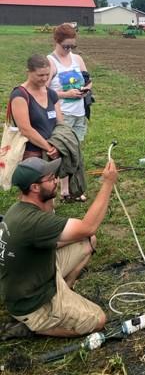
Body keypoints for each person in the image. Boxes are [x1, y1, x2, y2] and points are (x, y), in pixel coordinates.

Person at [0, 156, 118, 338]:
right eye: (50, 178)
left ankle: (65, 289)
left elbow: (81, 235)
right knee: (98, 320)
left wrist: (49, 196)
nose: (56, 180)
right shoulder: (34, 222)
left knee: (87, 241)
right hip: (32, 302)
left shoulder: (21, 207)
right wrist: (108, 183)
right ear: (34, 187)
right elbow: (88, 226)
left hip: (34, 278)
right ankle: (36, 327)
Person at [47, 23, 91, 201]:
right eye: (66, 46)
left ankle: (74, 188)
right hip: (62, 114)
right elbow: (44, 90)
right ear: (56, 42)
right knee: (64, 152)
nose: (69, 49)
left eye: (72, 46)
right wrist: (66, 93)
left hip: (79, 113)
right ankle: (62, 190)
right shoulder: (50, 62)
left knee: (76, 152)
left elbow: (88, 80)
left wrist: (86, 89)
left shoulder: (77, 59)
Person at [10, 54, 63, 160]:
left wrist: (58, 145)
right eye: (40, 75)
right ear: (28, 72)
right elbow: (26, 130)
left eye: (47, 74)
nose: (45, 79)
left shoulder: (51, 94)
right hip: (31, 154)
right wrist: (48, 148)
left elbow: (60, 123)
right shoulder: (20, 96)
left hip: (54, 150)